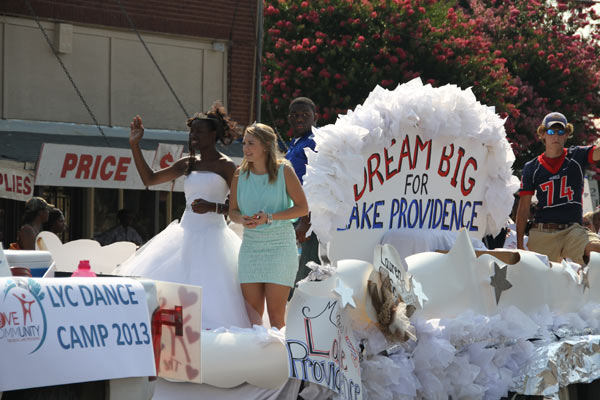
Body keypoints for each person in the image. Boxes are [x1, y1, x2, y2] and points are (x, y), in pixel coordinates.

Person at [117, 101, 250, 330]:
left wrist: (213, 207)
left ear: (213, 134)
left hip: (215, 238)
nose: (194, 136)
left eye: (199, 131)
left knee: (213, 293)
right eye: (192, 131)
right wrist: (134, 145)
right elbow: (149, 180)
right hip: (184, 234)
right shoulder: (187, 163)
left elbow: (241, 209)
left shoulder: (227, 167)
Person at [229, 123, 309, 329]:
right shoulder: (239, 174)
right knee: (252, 319)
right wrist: (242, 219)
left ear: (265, 146)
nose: (246, 148)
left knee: (276, 317)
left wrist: (270, 217)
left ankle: (281, 361)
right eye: (244, 143)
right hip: (251, 248)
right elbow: (233, 212)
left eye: (251, 143)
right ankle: (254, 361)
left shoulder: (285, 171)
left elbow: (302, 208)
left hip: (280, 248)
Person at [517, 112, 600, 265]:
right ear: (542, 134)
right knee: (535, 280)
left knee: (596, 250)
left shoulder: (576, 156)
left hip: (572, 231)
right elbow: (523, 209)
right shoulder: (532, 167)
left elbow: (597, 152)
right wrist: (519, 244)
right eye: (551, 131)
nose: (556, 136)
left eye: (560, 131)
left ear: (566, 135)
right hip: (542, 232)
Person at [285, 97, 321, 285]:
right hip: (294, 212)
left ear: (315, 117)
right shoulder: (296, 142)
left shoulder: (314, 142)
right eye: (295, 115)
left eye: (305, 115)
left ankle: (300, 313)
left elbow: (316, 183)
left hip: (308, 218)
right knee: (292, 270)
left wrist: (306, 220)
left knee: (305, 273)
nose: (300, 119)